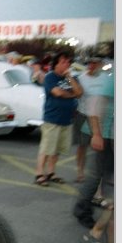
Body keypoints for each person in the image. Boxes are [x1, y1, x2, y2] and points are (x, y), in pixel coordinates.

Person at [76, 74, 114, 243]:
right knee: (99, 181)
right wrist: (98, 134)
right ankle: (87, 218)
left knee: (112, 195)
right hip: (109, 140)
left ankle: (97, 230)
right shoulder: (115, 78)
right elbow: (93, 106)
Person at [33, 51, 83, 186]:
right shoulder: (50, 77)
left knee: (57, 149)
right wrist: (71, 94)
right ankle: (39, 173)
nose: (67, 64)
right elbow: (58, 92)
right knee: (47, 148)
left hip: (66, 120)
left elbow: (79, 93)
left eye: (68, 62)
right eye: (63, 62)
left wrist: (70, 78)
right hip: (52, 118)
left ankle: (51, 172)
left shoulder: (71, 78)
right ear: (56, 64)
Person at [75, 56, 108, 182]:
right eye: (90, 63)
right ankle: (80, 172)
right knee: (82, 145)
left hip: (100, 116)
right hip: (84, 114)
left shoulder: (105, 78)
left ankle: (99, 173)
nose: (92, 66)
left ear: (100, 65)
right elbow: (77, 94)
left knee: (100, 146)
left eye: (95, 64)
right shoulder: (82, 78)